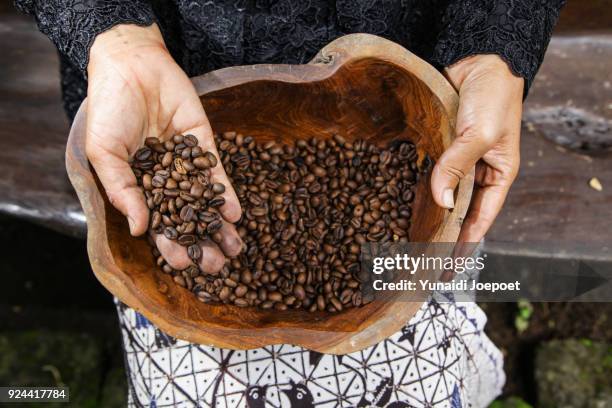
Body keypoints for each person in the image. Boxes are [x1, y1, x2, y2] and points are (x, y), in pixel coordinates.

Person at [16, 1, 565, 406]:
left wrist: (495, 46)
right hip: (150, 107)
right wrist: (111, 32)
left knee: (422, 375)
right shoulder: (175, 166)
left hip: (414, 122)